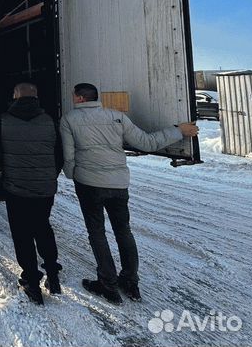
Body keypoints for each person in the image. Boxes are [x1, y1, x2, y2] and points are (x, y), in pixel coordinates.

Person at [60, 82, 199, 304]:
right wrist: (179, 130)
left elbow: (69, 156)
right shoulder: (117, 117)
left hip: (89, 184)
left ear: (78, 98)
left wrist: (71, 175)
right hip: (118, 184)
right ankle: (130, 282)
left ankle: (108, 285)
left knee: (97, 233)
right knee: (124, 232)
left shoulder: (69, 120)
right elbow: (147, 142)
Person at [0, 82, 62, 305]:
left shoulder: (3, 121)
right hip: (45, 189)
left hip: (16, 189)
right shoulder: (49, 121)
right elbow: (59, 154)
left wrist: (0, 173)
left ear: (15, 97)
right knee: (43, 227)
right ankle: (53, 274)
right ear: (37, 97)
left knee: (23, 235)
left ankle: (32, 282)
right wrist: (50, 176)